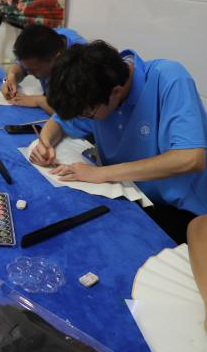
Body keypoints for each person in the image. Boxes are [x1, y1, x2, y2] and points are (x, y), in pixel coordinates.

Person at [29, 41, 207, 245]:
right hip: (130, 197)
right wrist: (45, 142)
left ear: (116, 92)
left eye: (89, 115)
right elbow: (59, 121)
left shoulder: (169, 78)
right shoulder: (94, 88)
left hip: (184, 214)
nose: (85, 118)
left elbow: (190, 158)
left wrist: (102, 173)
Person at [1, 24, 86, 114]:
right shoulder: (48, 40)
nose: (29, 72)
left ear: (56, 58)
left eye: (35, 69)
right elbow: (20, 66)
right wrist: (10, 77)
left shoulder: (81, 65)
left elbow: (74, 113)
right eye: (27, 68)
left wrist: (40, 101)